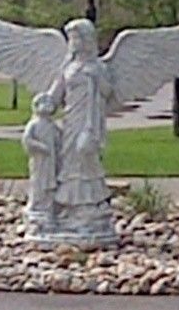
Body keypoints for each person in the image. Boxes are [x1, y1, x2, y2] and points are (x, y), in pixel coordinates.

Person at [46, 18, 113, 218]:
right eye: (71, 38)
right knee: (70, 161)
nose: (74, 42)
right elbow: (56, 93)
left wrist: (97, 78)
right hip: (71, 119)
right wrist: (46, 102)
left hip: (89, 120)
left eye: (77, 37)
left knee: (85, 155)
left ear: (87, 39)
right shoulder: (68, 67)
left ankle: (93, 202)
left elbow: (108, 92)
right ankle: (70, 205)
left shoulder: (98, 67)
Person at [21, 92, 59, 217]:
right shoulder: (34, 124)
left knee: (50, 182)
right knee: (38, 181)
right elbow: (27, 140)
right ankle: (36, 203)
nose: (47, 106)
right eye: (44, 103)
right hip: (39, 160)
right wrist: (40, 147)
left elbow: (60, 139)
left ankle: (49, 205)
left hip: (51, 160)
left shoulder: (52, 126)